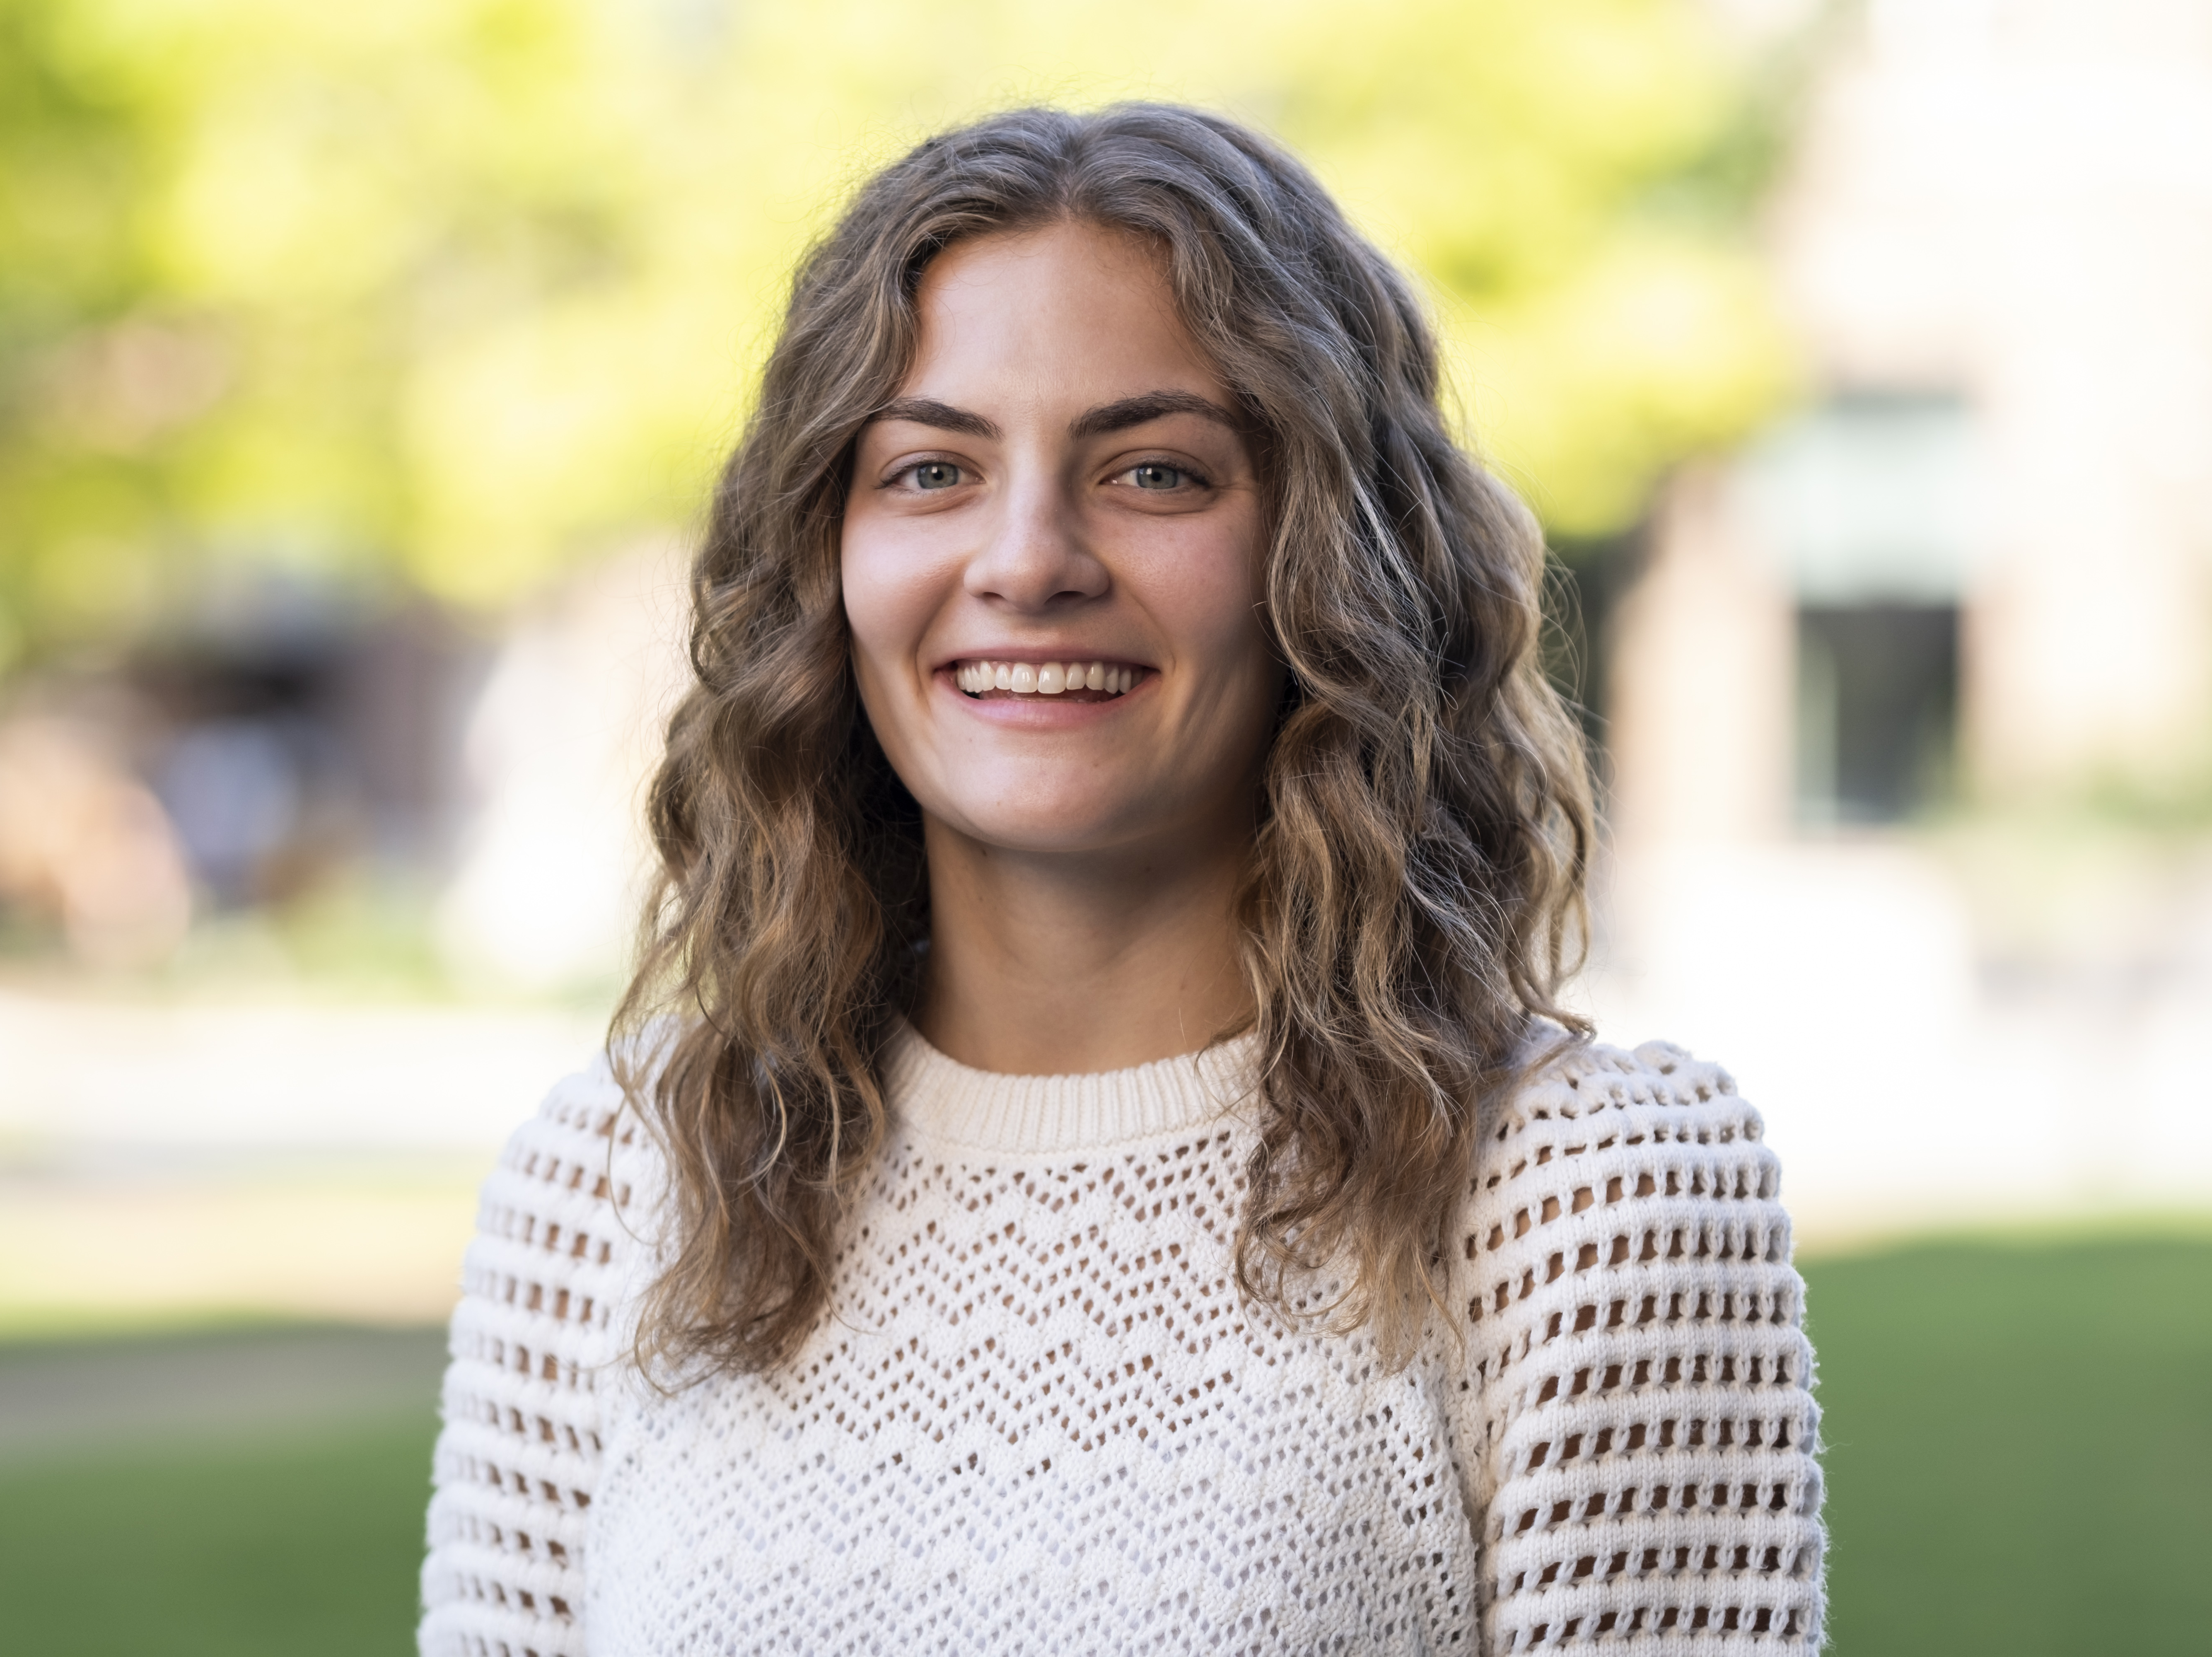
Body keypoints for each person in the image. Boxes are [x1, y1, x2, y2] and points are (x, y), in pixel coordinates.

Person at [418, 104, 1825, 1655]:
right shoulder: (612, 1188)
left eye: (1155, 473)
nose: (1029, 559)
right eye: (931, 470)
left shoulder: (1572, 1198)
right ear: (825, 562)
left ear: (1331, 565)